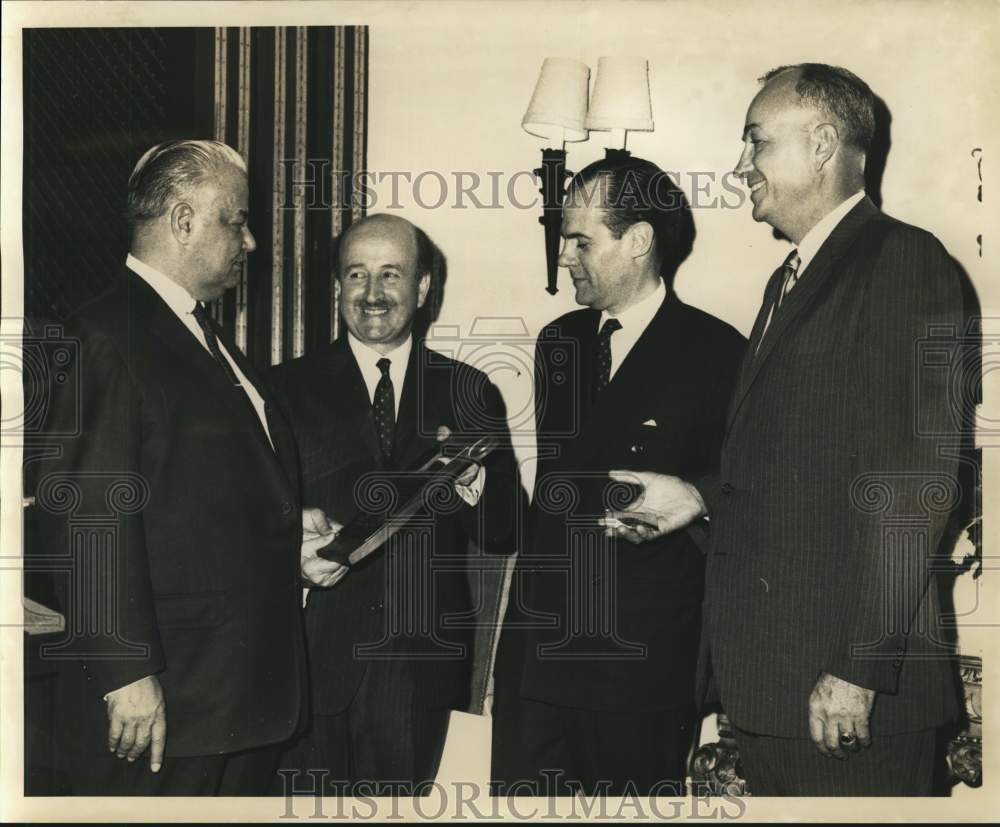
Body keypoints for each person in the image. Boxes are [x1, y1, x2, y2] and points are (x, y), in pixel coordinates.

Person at [606, 64, 968, 795]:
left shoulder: (902, 260)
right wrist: (697, 495)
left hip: (848, 695)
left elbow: (912, 483)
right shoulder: (790, 279)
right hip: (778, 686)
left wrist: (857, 670)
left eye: (757, 142)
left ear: (823, 143)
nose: (741, 166)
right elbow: (802, 460)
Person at [27, 139, 341, 795]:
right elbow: (85, 516)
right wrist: (125, 672)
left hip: (228, 696)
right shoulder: (108, 335)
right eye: (237, 221)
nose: (249, 241)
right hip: (167, 704)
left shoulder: (197, 333)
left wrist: (288, 538)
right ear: (184, 220)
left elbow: (191, 498)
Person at [490, 156, 746, 796]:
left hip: (639, 664)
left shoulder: (718, 353)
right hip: (536, 656)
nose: (564, 257)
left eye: (581, 241)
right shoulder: (559, 341)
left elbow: (743, 490)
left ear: (638, 241)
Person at [269, 213, 524, 796]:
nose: (373, 293)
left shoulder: (469, 391)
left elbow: (507, 530)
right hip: (311, 664)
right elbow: (252, 525)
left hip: (421, 670)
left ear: (423, 286)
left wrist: (472, 481)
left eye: (391, 274)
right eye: (357, 274)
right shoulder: (283, 389)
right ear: (338, 286)